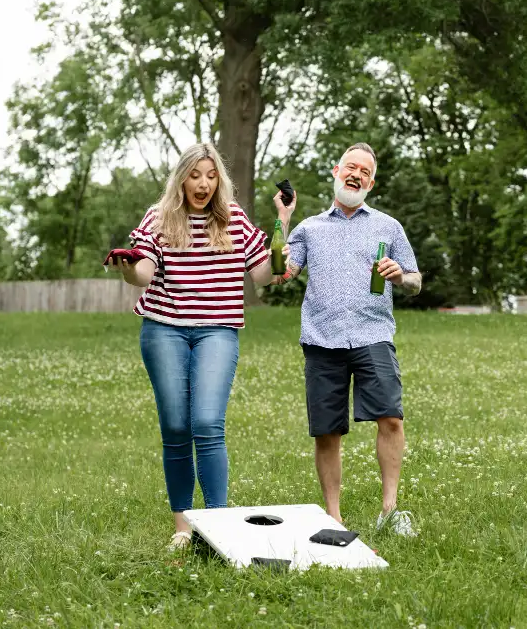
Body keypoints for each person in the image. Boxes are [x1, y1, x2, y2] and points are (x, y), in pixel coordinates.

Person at [110, 143, 275, 551]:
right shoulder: (159, 217)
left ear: (219, 179)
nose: (203, 183)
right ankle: (183, 528)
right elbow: (144, 274)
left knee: (206, 423)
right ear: (181, 178)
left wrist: (284, 235)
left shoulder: (233, 219)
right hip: (164, 329)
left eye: (211, 175)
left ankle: (217, 524)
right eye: (195, 175)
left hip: (217, 329)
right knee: (177, 428)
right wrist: (128, 264)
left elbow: (264, 276)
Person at [271, 142, 422, 536]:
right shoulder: (310, 228)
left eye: (364, 171)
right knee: (327, 431)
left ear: (371, 182)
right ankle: (333, 518)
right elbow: (279, 273)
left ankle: (389, 511)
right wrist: (283, 219)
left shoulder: (388, 227)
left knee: (391, 417)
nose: (356, 174)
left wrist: (399, 275)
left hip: (373, 335)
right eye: (350, 167)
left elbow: (415, 282)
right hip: (322, 339)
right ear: (337, 171)